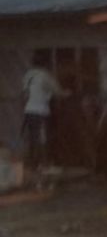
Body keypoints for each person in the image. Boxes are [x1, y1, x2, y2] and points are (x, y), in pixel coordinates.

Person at [22, 49, 65, 177]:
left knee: (33, 138)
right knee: (43, 138)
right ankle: (45, 166)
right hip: (41, 111)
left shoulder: (28, 75)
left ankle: (33, 166)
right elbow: (58, 91)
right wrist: (67, 93)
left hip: (29, 111)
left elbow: (25, 95)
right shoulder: (45, 75)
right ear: (46, 63)